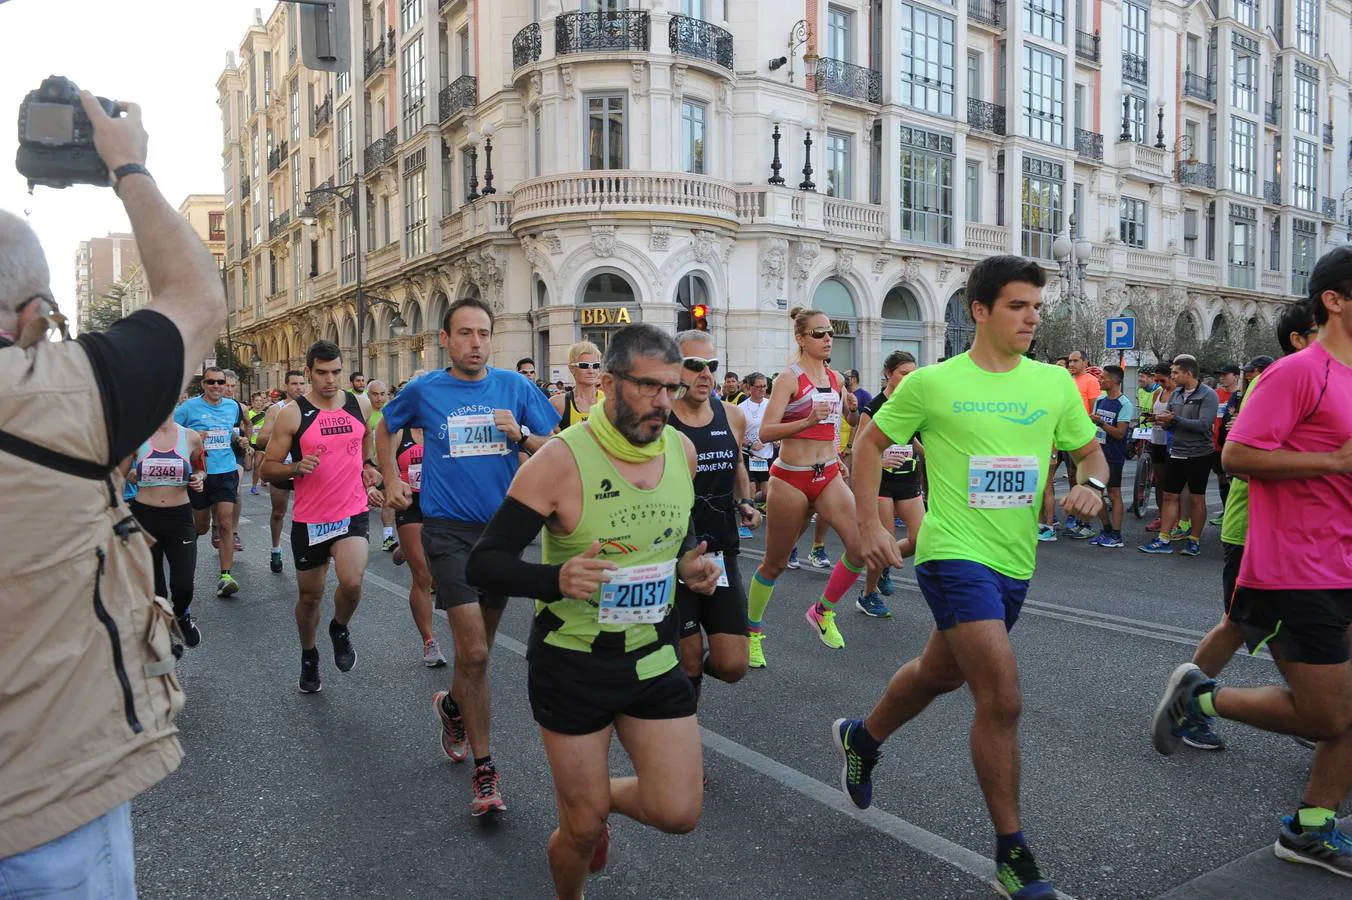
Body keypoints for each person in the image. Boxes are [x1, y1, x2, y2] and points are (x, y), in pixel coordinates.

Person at [0, 90, 222, 894]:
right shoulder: (58, 395)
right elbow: (195, 301)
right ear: (31, 319)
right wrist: (127, 163)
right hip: (41, 811)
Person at [840, 255, 1105, 900]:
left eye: (1036, 307)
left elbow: (1088, 450)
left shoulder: (1053, 384)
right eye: (1017, 306)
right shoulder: (933, 383)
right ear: (979, 310)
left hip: (1014, 560)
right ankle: (1013, 855)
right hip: (952, 551)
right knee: (1002, 696)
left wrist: (1090, 483)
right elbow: (869, 444)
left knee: (939, 673)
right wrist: (872, 528)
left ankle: (863, 737)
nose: (1031, 318)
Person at [464, 324, 721, 900]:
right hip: (573, 664)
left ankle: (595, 801)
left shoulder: (680, 450)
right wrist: (554, 578)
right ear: (608, 383)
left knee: (678, 810)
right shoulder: (559, 461)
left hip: (652, 657)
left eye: (671, 389)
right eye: (648, 387)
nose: (663, 403)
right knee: (578, 832)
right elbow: (486, 563)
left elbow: (677, 534)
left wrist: (689, 567)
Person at [1151, 246, 1352, 878]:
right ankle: (1201, 699)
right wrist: (1331, 463)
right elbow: (1237, 456)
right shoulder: (1298, 373)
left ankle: (1311, 828)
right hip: (1297, 565)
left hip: (1344, 561)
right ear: (1334, 300)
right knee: (1328, 715)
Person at [378, 297, 559, 817]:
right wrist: (390, 477)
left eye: (483, 333)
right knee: (475, 652)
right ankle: (486, 770)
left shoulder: (516, 387)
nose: (475, 343)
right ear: (446, 339)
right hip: (447, 532)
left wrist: (520, 435)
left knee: (478, 652)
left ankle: (454, 707)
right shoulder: (425, 390)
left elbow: (555, 444)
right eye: (464, 334)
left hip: (501, 534)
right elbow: (386, 426)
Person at [1162, 301, 1322, 752]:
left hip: (1305, 537)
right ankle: (1194, 705)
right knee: (1241, 623)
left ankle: (1320, 713)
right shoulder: (1282, 381)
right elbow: (1240, 458)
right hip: (1256, 530)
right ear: (1299, 338)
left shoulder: (1324, 380)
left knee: (1254, 623)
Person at [747, 307, 868, 666]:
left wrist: (847, 415)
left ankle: (822, 610)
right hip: (790, 477)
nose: (828, 338)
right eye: (819, 333)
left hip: (827, 473)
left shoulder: (836, 378)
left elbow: (835, 425)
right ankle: (752, 633)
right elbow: (767, 433)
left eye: (830, 331)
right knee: (776, 563)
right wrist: (805, 420)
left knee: (860, 549)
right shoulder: (788, 378)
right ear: (801, 339)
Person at [260, 341, 381, 694]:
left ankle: (339, 627)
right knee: (310, 598)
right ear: (309, 371)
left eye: (336, 372)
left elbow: (366, 438)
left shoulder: (357, 404)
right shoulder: (293, 414)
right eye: (322, 373)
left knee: (353, 580)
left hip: (352, 512)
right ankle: (309, 654)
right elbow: (267, 468)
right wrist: (296, 467)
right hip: (311, 519)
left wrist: (368, 465)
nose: (330, 380)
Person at [669, 330, 758, 712]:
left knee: (733, 664)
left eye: (712, 366)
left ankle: (679, 678)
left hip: (720, 551)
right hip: (673, 556)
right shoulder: (661, 420)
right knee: (689, 659)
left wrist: (745, 502)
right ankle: (682, 749)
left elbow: (736, 463)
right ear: (675, 370)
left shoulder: (732, 416)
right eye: (694, 365)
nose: (705, 374)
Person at [854, 351, 925, 616]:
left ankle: (883, 565)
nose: (909, 378)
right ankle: (868, 595)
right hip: (881, 481)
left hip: (908, 479)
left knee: (922, 538)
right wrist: (881, 460)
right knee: (884, 538)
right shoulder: (873, 407)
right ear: (888, 374)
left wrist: (926, 451)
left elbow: (911, 440)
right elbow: (860, 448)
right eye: (904, 373)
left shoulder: (913, 403)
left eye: (913, 373)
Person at [126, 413, 206, 645]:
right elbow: (117, 473)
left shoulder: (190, 437)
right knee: (154, 586)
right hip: (144, 516)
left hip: (179, 517)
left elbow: (201, 468)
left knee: (183, 585)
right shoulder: (136, 436)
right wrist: (130, 475)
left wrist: (199, 478)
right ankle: (160, 633)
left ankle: (181, 615)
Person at [175, 366, 247, 596]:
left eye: (220, 382)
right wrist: (193, 438)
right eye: (210, 382)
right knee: (202, 526)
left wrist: (241, 442)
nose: (216, 386)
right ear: (203, 385)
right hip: (200, 472)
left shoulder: (232, 407)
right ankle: (184, 554)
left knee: (225, 522)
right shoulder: (188, 408)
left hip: (226, 471)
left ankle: (226, 576)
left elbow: (231, 432)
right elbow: (171, 433)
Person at [1139, 356, 1219, 556]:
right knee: (1169, 495)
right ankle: (1163, 539)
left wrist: (1175, 419)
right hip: (1176, 451)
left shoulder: (1208, 395)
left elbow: (1203, 425)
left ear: (1188, 373)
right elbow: (1170, 420)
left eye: (1175, 372)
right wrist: (1160, 420)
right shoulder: (1175, 395)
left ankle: (1194, 541)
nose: (1172, 376)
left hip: (1199, 453)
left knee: (1196, 499)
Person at [254, 369, 305, 574]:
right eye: (294, 384)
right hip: (282, 466)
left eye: (302, 383)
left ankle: (309, 552)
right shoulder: (277, 410)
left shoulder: (312, 407)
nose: (299, 387)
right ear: (286, 387)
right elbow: (261, 440)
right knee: (278, 511)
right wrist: (282, 432)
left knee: (308, 514)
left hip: (304, 467)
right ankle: (275, 549)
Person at [1086, 365, 1134, 548]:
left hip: (1114, 456)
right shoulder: (1100, 401)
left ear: (1113, 381)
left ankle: (1116, 534)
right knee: (1095, 493)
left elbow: (1120, 433)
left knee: (1114, 493)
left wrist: (1102, 423)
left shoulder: (1124, 404)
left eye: (1103, 378)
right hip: (1098, 454)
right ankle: (1105, 529)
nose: (1099, 380)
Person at [365, 380, 399, 552]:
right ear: (368, 395)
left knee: (387, 499)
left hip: (384, 464)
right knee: (362, 504)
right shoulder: (364, 414)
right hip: (365, 467)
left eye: (382, 394)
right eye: (375, 394)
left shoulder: (391, 414)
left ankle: (387, 537)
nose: (379, 398)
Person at [739, 373, 774, 507]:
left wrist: (776, 439)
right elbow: (736, 434)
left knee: (767, 493)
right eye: (758, 386)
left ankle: (743, 503)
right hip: (748, 454)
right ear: (750, 387)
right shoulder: (741, 408)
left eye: (764, 386)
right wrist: (749, 445)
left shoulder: (771, 405)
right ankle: (746, 521)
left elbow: (778, 426)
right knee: (751, 490)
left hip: (765, 455)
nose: (762, 389)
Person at [552, 341, 604, 429]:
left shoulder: (610, 401)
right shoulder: (558, 403)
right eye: (584, 365)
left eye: (595, 365)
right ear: (572, 368)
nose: (591, 371)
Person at [247, 390, 268, 494]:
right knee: (248, 467)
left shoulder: (266, 415)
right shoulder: (248, 413)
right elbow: (244, 427)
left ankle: (254, 487)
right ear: (253, 402)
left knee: (257, 465)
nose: (259, 402)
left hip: (260, 443)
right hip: (250, 443)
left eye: (260, 400)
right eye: (256, 400)